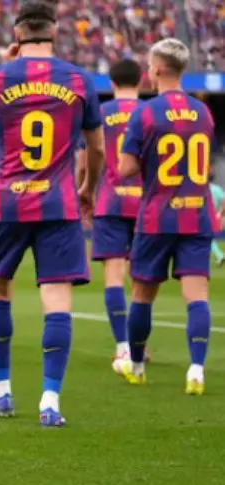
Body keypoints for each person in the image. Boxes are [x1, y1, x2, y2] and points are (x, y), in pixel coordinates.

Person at [0, 1, 105, 426]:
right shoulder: (79, 80)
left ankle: (2, 392)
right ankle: (50, 402)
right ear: (55, 31)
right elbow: (97, 149)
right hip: (58, 203)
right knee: (57, 303)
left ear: (17, 33)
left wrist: (4, 67)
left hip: (8, 202)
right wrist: (87, 188)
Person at [118, 38, 216, 396]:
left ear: (157, 69)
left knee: (142, 294)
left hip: (158, 216)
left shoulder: (146, 112)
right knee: (197, 296)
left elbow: (126, 168)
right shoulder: (203, 112)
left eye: (149, 64)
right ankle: (196, 369)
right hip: (197, 213)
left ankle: (137, 365)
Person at [88, 58, 146, 372]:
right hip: (146, 204)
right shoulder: (151, 112)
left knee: (113, 276)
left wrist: (85, 189)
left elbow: (90, 154)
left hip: (111, 201)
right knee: (142, 277)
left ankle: (123, 348)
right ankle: (139, 347)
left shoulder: (101, 112)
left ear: (111, 83)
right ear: (142, 80)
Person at [208, 175, 225, 267]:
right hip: (215, 216)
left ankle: (220, 255)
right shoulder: (217, 189)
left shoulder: (202, 189)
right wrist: (220, 214)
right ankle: (219, 255)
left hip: (204, 216)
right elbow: (224, 201)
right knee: (208, 237)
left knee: (206, 237)